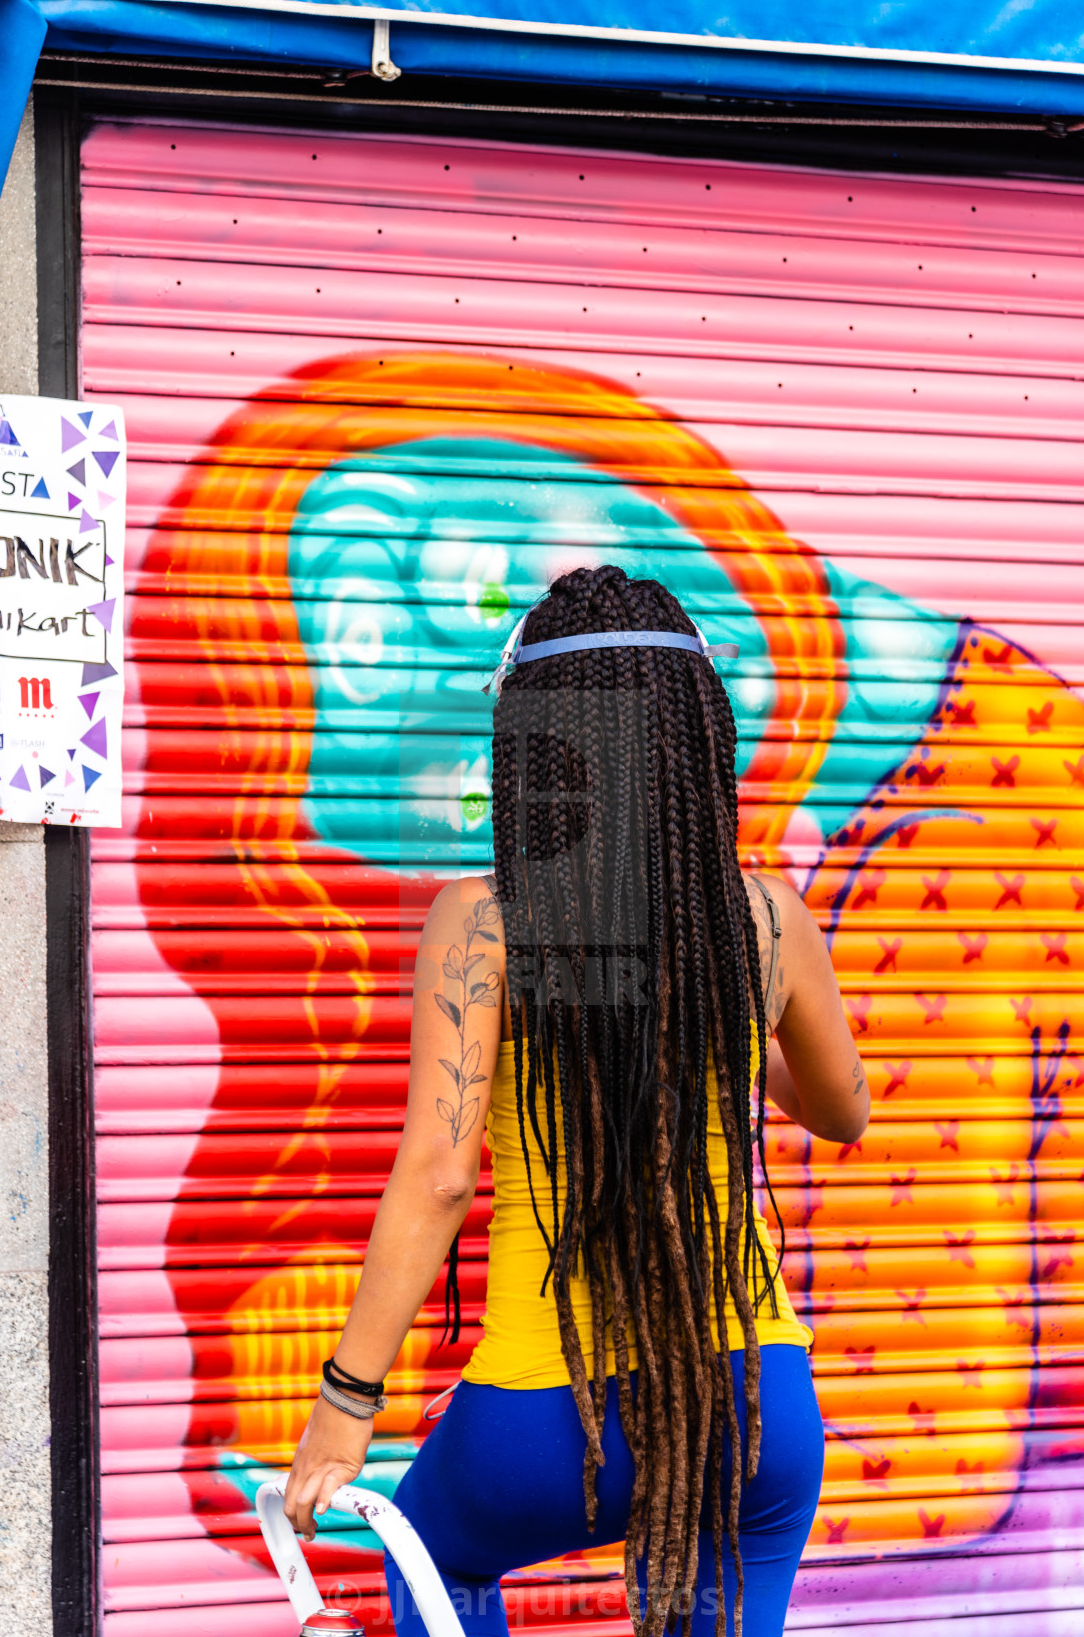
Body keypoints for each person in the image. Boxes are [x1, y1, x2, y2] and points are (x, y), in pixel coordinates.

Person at [284, 566, 869, 1637]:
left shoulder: (484, 926)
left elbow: (440, 1173)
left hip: (544, 1415)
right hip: (755, 1402)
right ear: (695, 744)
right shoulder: (764, 920)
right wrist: (724, 1026)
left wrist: (345, 1403)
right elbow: (842, 1110)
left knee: (435, 1565)